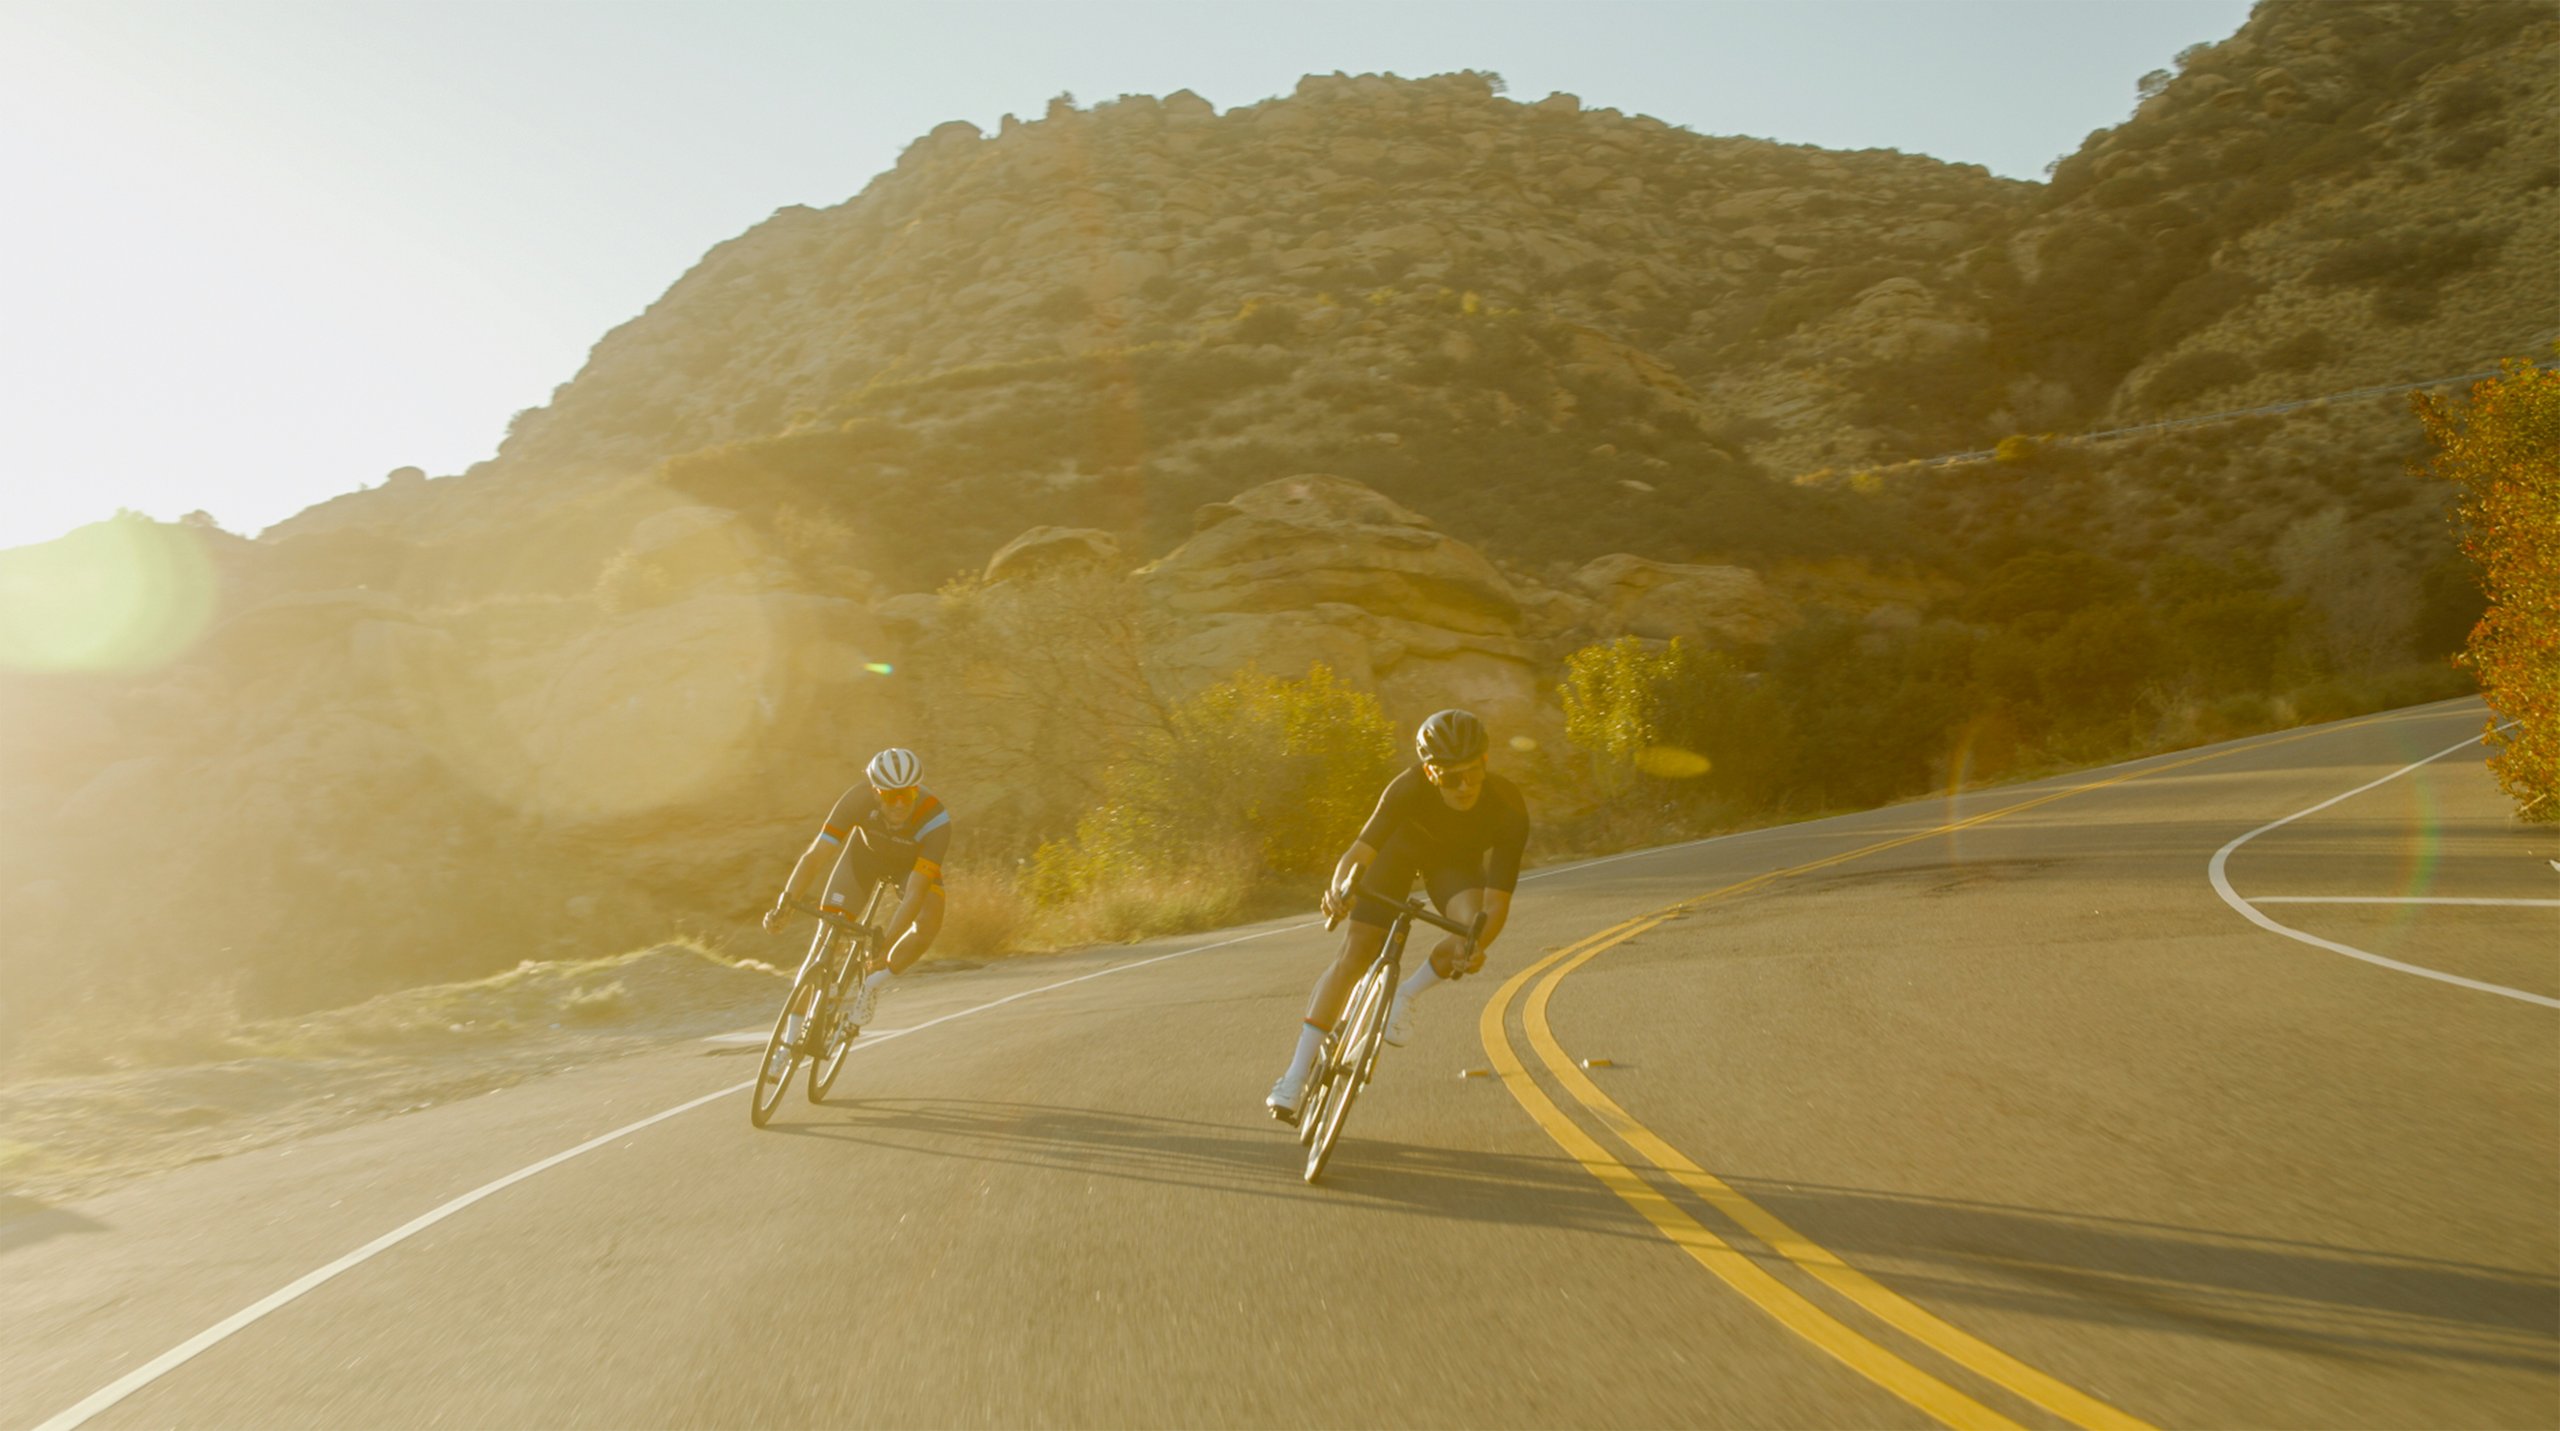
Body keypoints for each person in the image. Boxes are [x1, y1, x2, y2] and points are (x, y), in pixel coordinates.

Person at [1266, 709, 1528, 1124]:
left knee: (1471, 931)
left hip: (1454, 869)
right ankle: (1294, 1076)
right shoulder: (1406, 788)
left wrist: (1475, 947)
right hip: (1397, 856)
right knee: (1357, 952)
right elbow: (1358, 855)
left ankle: (1403, 995)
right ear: (1429, 772)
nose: (1463, 788)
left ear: (1486, 762)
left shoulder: (1509, 805)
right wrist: (1338, 890)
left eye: (1472, 775)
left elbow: (1496, 904)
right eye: (1449, 777)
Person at [762, 746, 950, 1027]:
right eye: (890, 795)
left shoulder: (935, 819)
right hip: (864, 858)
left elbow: (914, 893)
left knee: (929, 920)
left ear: (917, 790)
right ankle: (787, 1042)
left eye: (907, 794)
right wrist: (786, 902)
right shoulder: (856, 800)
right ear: (876, 792)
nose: (899, 804)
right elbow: (815, 856)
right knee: (825, 942)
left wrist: (885, 948)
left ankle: (873, 981)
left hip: (909, 867)